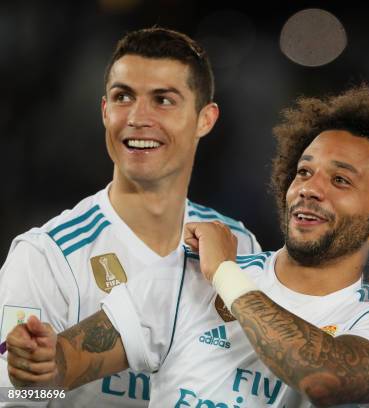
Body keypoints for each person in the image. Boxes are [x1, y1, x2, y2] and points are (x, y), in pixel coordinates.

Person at [6, 85, 369, 407]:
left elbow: (324, 378)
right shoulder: (186, 278)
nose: (310, 188)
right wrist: (39, 362)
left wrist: (225, 276)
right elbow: (62, 367)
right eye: (304, 172)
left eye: (340, 180)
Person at [0, 27, 260, 407]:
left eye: (163, 100)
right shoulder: (44, 257)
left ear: (205, 119)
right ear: (105, 111)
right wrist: (37, 376)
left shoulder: (238, 244)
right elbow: (12, 395)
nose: (138, 117)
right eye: (123, 97)